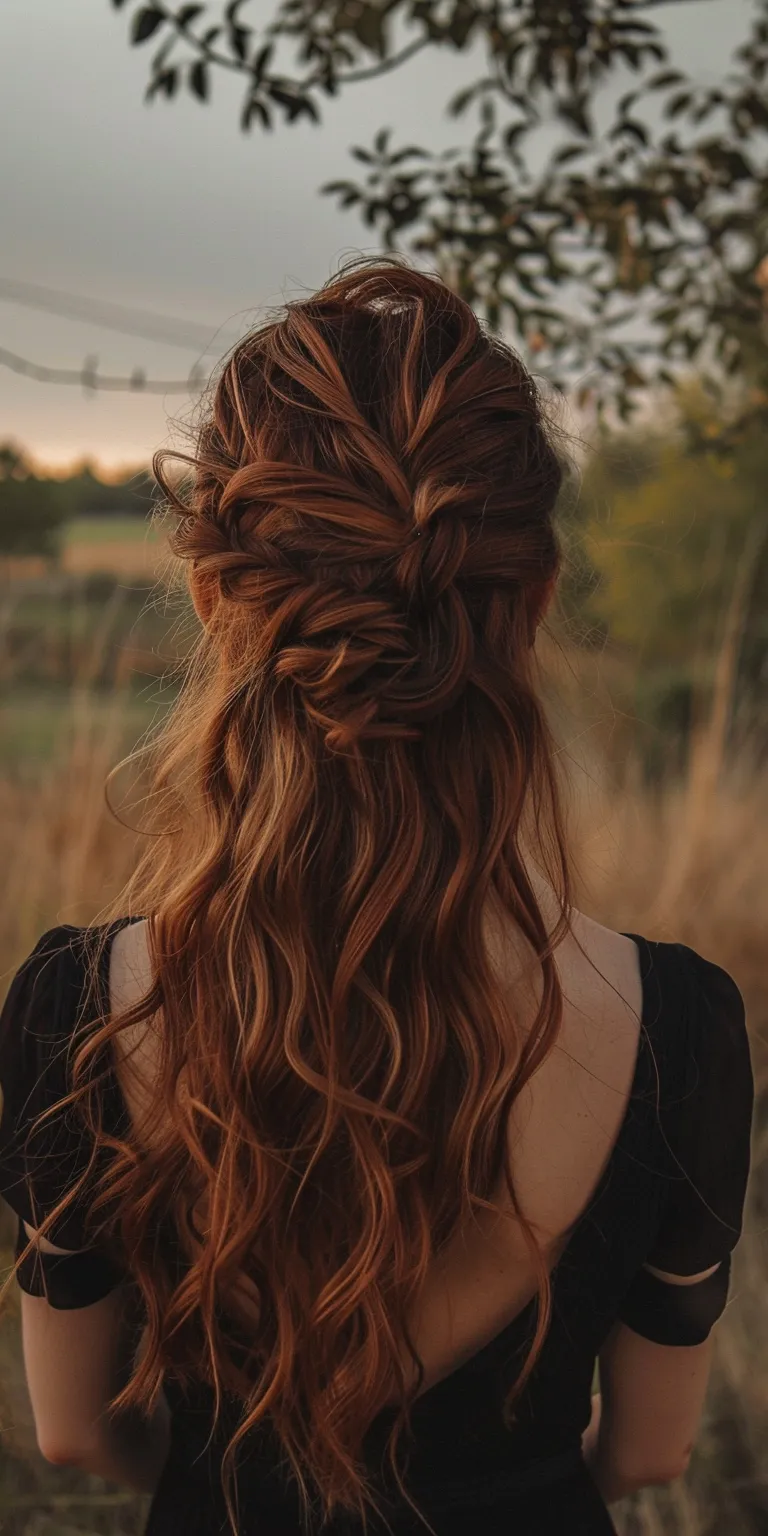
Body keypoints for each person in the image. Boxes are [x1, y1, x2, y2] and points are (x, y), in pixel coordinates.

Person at [0, 256, 754, 1536]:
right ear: (532, 606)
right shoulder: (679, 1032)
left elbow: (76, 1429)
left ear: (209, 596)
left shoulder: (79, 1016)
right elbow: (648, 1449)